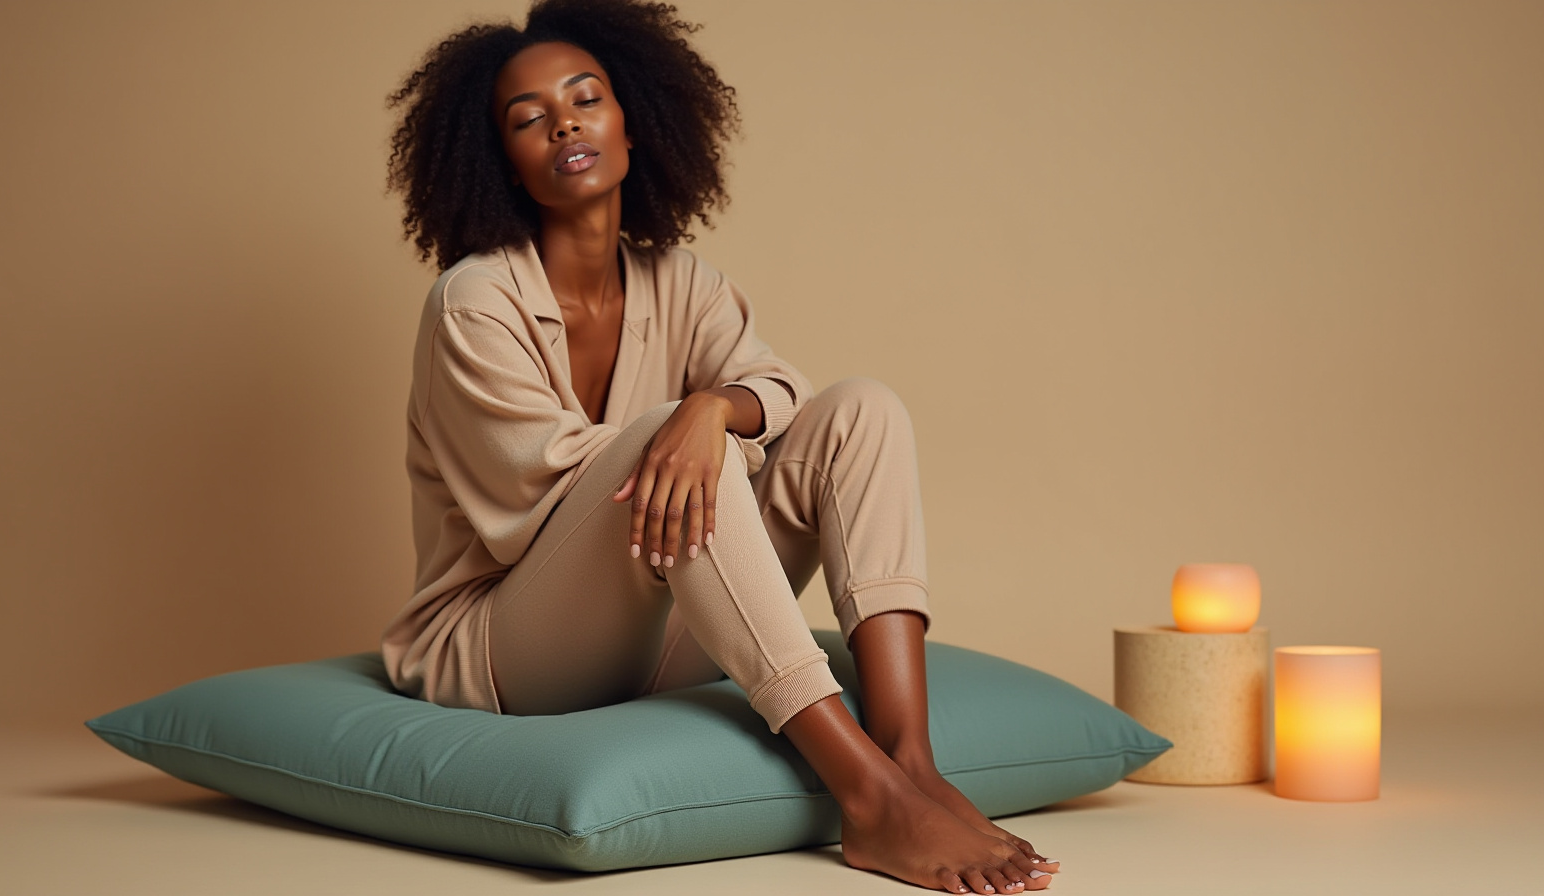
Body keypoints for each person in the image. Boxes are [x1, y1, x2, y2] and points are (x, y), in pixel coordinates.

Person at [378, 1, 1058, 892]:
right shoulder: (474, 303)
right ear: (498, 158)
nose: (565, 122)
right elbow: (529, 521)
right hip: (510, 647)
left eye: (586, 98)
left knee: (863, 409)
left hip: (665, 619)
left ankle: (911, 759)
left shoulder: (682, 280)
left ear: (633, 120)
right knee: (673, 448)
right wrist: (688, 431)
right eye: (528, 118)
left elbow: (782, 391)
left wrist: (710, 411)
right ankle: (867, 797)